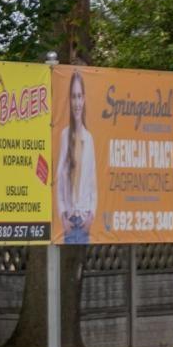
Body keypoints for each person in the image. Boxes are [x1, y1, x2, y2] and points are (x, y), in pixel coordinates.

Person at [55, 69, 98, 244]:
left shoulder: (89, 138)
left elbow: (93, 182)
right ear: (69, 99)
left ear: (84, 99)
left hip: (84, 220)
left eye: (80, 96)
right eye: (73, 96)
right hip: (70, 222)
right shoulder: (65, 136)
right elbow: (59, 178)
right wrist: (63, 216)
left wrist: (91, 215)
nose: (77, 102)